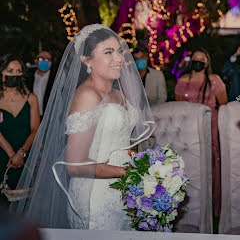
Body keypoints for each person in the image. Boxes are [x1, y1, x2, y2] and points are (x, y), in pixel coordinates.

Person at [10, 24, 155, 230]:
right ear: (86, 60)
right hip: (96, 196)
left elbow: (117, 141)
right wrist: (127, 173)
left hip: (125, 191)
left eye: (120, 51)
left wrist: (138, 162)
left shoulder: (119, 94)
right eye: (108, 52)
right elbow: (75, 164)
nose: (119, 59)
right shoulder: (87, 96)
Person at [174, 48, 227, 217]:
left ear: (207, 62)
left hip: (210, 126)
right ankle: (191, 206)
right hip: (189, 128)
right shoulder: (183, 81)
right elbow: (179, 108)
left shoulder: (214, 80)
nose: (198, 61)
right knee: (190, 161)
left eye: (201, 58)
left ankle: (212, 206)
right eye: (195, 58)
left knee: (210, 162)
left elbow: (224, 104)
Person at [0, 55, 40, 207]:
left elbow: (35, 130)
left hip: (23, 158)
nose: (14, 75)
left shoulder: (31, 99)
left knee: (22, 206)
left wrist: (21, 154)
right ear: (1, 73)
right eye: (10, 71)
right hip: (4, 155)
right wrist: (12, 154)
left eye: (18, 71)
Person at [25, 50, 56, 118]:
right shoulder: (27, 78)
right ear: (36, 61)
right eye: (41, 59)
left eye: (47, 59)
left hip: (49, 117)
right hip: (30, 116)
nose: (44, 61)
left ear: (51, 63)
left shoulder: (56, 79)